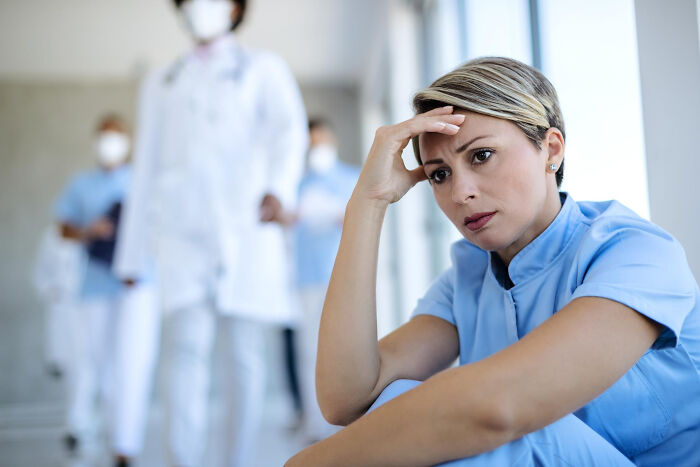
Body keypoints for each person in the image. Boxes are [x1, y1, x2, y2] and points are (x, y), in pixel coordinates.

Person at [286, 57, 700, 466]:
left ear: (550, 149)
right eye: (439, 174)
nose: (460, 192)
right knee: (399, 400)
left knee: (505, 427)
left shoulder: (638, 254)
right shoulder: (468, 276)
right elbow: (347, 399)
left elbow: (502, 407)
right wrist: (368, 202)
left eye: (481, 156)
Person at [113, 0, 308, 465]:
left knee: (244, 359)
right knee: (185, 352)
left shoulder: (263, 68)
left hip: (246, 230)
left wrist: (280, 189)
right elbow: (145, 169)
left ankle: (238, 461)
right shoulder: (162, 80)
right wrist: (132, 254)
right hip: (182, 234)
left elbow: (290, 132)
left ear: (236, 8)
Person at [55, 115, 159, 467]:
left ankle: (125, 446)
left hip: (137, 287)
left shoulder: (142, 181)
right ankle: (94, 429)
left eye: (116, 137)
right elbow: (63, 227)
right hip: (96, 285)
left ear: (128, 141)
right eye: (104, 137)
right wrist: (89, 231)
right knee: (98, 365)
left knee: (133, 365)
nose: (109, 143)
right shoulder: (81, 184)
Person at [293, 118, 359, 443]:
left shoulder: (351, 179)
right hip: (306, 278)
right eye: (312, 143)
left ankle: (350, 419)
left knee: (348, 349)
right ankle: (316, 425)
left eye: (322, 141)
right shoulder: (296, 184)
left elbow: (359, 219)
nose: (318, 148)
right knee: (309, 352)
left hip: (344, 277)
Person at [33, 224, 84, 380]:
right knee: (66, 361)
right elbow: (39, 272)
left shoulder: (92, 232)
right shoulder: (52, 235)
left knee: (86, 360)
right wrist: (51, 291)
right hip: (61, 303)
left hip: (86, 305)